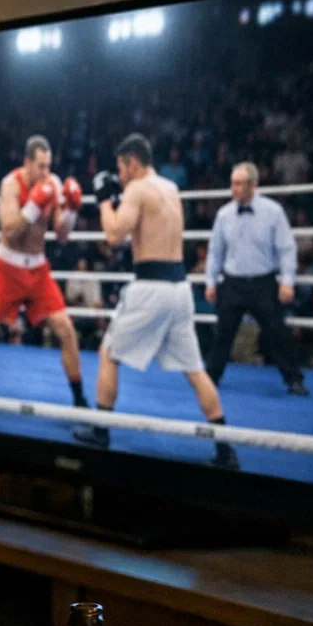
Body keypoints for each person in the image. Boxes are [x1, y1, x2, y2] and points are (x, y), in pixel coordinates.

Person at [73, 134, 238, 470]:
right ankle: (225, 449)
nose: (119, 175)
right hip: (179, 290)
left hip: (151, 287)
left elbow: (114, 235)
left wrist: (105, 200)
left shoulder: (136, 189)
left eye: (121, 168)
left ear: (133, 162)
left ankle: (100, 432)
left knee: (108, 354)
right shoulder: (169, 188)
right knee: (195, 370)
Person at [0, 135, 88, 411]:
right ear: (27, 163)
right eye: (40, 166)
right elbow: (9, 231)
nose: (46, 172)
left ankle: (79, 399)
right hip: (8, 267)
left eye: (49, 166)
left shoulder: (53, 183)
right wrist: (34, 206)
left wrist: (71, 210)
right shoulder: (10, 184)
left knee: (66, 330)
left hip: (37, 268)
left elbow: (62, 236)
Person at [203, 161, 309, 396]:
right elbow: (215, 251)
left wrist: (287, 281)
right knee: (222, 334)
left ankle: (294, 379)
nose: (234, 188)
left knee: (278, 333)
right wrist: (210, 282)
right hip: (232, 282)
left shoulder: (273, 211)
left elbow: (286, 248)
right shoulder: (224, 214)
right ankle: (210, 378)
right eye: (233, 183)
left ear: (253, 185)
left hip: (263, 282)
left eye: (239, 184)